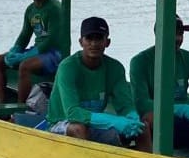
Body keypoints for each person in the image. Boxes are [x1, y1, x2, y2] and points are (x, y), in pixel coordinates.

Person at [45, 16, 145, 148]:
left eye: (99, 38)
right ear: (81, 42)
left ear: (107, 42)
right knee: (79, 128)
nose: (94, 43)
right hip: (62, 123)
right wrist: (112, 121)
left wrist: (132, 116)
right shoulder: (68, 67)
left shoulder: (115, 68)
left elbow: (125, 104)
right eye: (89, 38)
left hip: (95, 123)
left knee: (142, 127)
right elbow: (72, 113)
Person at [128, 14, 189, 158]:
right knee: (147, 119)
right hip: (159, 122)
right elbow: (142, 103)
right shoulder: (140, 61)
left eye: (180, 33)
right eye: (172, 33)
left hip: (185, 122)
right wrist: (179, 109)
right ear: (157, 34)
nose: (177, 38)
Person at [0, 0, 66, 105]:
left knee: (25, 65)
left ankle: (20, 108)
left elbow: (52, 40)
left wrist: (27, 56)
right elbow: (25, 35)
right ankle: (1, 105)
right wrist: (15, 51)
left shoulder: (55, 7)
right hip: (38, 50)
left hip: (55, 53)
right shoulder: (30, 10)